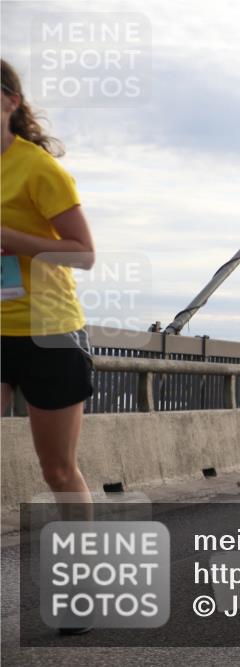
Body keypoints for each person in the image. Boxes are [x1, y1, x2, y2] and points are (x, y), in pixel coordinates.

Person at [1, 61, 97, 634]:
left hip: (47, 332)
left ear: (10, 101)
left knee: (58, 468)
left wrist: (10, 238)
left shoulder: (36, 168)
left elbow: (83, 254)